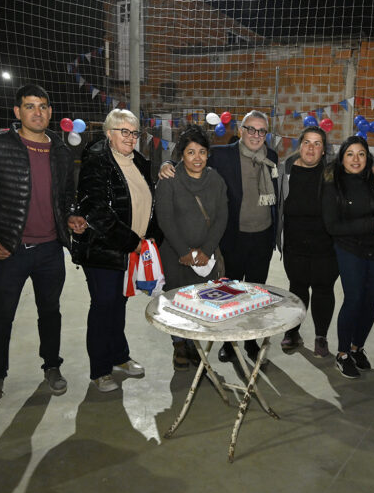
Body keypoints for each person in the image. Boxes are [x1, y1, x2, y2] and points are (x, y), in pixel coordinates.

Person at [0, 84, 78, 404]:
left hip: (49, 250)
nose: (37, 112)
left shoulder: (60, 150)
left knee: (51, 313)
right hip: (10, 249)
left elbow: (66, 197)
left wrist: (70, 218)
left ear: (50, 112)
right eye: (30, 106)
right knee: (1, 315)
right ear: (17, 112)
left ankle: (52, 367)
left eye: (43, 106)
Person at [160, 110, 279, 364]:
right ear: (241, 130)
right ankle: (227, 343)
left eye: (261, 131)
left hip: (262, 238)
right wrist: (166, 164)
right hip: (234, 239)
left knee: (255, 294)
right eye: (251, 129)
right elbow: (193, 153)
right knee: (228, 295)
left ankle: (250, 341)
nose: (256, 135)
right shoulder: (223, 155)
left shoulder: (272, 157)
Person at [72, 109, 158, 391]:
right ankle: (100, 370)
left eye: (134, 132)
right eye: (124, 131)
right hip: (103, 249)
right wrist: (130, 240)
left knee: (117, 304)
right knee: (103, 306)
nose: (130, 138)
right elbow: (95, 210)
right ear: (109, 133)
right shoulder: (97, 160)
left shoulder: (140, 162)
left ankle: (119, 357)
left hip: (129, 250)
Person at [155, 124, 228, 370]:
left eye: (202, 152)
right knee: (177, 301)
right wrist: (184, 251)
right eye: (190, 152)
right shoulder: (170, 180)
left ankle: (196, 346)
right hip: (176, 255)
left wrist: (206, 251)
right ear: (181, 155)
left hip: (206, 257)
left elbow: (221, 217)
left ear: (208, 154)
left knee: (200, 302)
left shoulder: (215, 179)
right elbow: (165, 218)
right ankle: (179, 346)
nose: (197, 158)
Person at [321, 136, 374, 379]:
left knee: (372, 299)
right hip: (349, 248)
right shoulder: (332, 182)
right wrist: (371, 224)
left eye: (361, 154)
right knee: (354, 298)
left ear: (367, 157)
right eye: (350, 154)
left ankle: (357, 347)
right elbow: (333, 226)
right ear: (342, 158)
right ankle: (343, 353)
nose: (355, 159)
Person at [275, 126, 338, 357]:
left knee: (323, 290)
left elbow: (366, 161)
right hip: (295, 246)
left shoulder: (333, 171)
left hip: (326, 247)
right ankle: (293, 332)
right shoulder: (286, 169)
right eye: (307, 142)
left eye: (317, 143)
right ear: (299, 145)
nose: (311, 148)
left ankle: (321, 337)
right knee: (297, 289)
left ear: (324, 150)